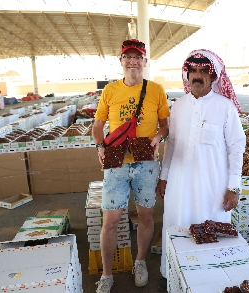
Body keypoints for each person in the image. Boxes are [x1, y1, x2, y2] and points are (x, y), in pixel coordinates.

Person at [155, 49, 246, 291]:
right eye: (193, 71)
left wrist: (234, 187)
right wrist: (164, 178)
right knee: (178, 227)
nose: (197, 76)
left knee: (211, 232)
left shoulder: (226, 107)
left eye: (204, 71)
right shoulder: (178, 106)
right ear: (187, 75)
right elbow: (172, 145)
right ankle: (175, 276)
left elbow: (236, 148)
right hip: (179, 185)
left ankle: (210, 281)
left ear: (213, 76)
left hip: (212, 187)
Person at [92, 39, 170, 293]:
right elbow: (97, 126)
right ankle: (106, 274)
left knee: (146, 215)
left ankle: (140, 262)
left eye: (138, 57)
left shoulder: (156, 90)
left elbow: (165, 125)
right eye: (128, 57)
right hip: (117, 164)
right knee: (111, 220)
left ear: (145, 62)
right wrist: (100, 146)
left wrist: (158, 137)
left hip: (146, 163)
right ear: (121, 61)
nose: (133, 61)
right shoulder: (110, 91)